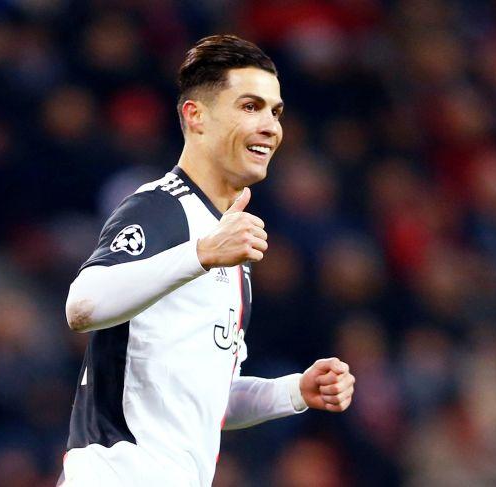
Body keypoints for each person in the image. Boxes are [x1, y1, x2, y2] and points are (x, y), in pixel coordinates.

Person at [58, 35, 355, 486]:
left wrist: (294, 390)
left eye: (275, 112)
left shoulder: (231, 246)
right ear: (195, 116)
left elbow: (208, 398)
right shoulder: (162, 208)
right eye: (250, 106)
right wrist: (200, 254)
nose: (271, 127)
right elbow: (82, 307)